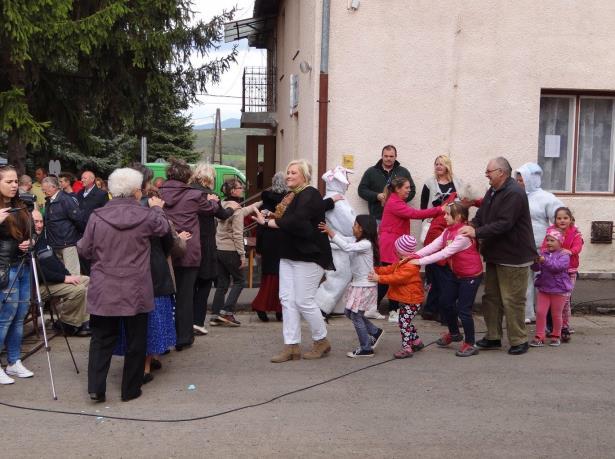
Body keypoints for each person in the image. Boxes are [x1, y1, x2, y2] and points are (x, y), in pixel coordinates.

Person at [78, 168, 170, 403]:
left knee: (101, 338)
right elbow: (163, 228)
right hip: (136, 286)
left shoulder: (97, 216)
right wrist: (157, 208)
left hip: (104, 285)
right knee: (136, 340)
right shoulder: (146, 216)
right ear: (136, 192)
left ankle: (96, 388)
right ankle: (130, 389)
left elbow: (84, 249)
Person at [252, 159, 334, 363]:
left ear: (304, 176)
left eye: (293, 173)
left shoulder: (310, 194)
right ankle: (291, 346)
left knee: (304, 301)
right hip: (288, 254)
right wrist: (269, 215)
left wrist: (270, 222)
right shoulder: (291, 196)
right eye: (288, 172)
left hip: (309, 255)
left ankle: (321, 340)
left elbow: (298, 222)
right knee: (287, 300)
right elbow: (286, 218)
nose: (288, 175)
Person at [459, 157, 536, 356]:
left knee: (512, 300)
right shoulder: (493, 191)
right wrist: (472, 225)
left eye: (489, 171)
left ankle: (519, 340)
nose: (486, 175)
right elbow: (482, 214)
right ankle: (493, 336)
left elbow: (505, 223)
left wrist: (477, 233)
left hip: (514, 256)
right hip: (495, 253)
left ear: (501, 172)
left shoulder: (514, 193)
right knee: (491, 298)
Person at [159, 158, 219, 350]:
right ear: (187, 176)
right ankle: (183, 337)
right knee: (185, 297)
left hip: (164, 249)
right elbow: (211, 209)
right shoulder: (193, 195)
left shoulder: (158, 193)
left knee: (164, 296)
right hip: (189, 251)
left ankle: (164, 337)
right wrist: (214, 202)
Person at [411, 202, 483, 357]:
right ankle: (454, 333)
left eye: (448, 214)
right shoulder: (447, 231)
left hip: (470, 276)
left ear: (458, 217)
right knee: (444, 302)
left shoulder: (463, 235)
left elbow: (444, 253)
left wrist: (419, 262)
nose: (444, 216)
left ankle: (470, 343)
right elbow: (434, 246)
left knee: (464, 310)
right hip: (456, 273)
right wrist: (415, 256)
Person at [378, 176, 443, 323]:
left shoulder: (396, 200)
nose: (409, 190)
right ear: (397, 189)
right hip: (391, 245)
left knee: (391, 276)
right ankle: (389, 310)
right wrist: (439, 210)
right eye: (406, 187)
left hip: (393, 243)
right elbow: (415, 214)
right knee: (392, 277)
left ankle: (380, 307)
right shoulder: (395, 203)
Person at [319, 215, 384, 358]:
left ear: (362, 228)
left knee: (355, 315)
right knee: (350, 312)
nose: (352, 227)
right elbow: (340, 243)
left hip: (365, 285)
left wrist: (330, 231)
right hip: (359, 284)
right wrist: (323, 237)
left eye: (355, 225)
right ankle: (374, 331)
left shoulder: (365, 244)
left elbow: (346, 247)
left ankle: (366, 348)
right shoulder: (357, 241)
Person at [189, 163, 236, 335]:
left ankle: (185, 323)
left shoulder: (187, 192)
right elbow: (222, 214)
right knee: (204, 284)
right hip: (205, 245)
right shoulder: (209, 195)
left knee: (188, 287)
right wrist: (232, 208)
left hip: (187, 243)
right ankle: (197, 323)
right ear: (209, 178)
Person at [515, 163, 563, 324]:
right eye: (517, 180)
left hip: (542, 249)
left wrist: (554, 244)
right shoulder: (516, 196)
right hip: (522, 247)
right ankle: (527, 314)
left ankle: (545, 314)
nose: (518, 183)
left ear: (531, 179)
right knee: (524, 282)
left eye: (521, 180)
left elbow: (560, 219)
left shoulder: (546, 198)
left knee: (542, 281)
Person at [419, 154, 465, 322]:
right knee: (436, 268)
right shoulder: (429, 183)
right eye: (436, 163)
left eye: (441, 164)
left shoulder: (458, 183)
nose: (438, 166)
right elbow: (424, 208)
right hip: (433, 226)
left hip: (451, 227)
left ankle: (432, 308)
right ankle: (434, 309)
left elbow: (462, 204)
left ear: (447, 166)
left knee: (444, 268)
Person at [209, 178, 260, 327]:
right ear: (233, 191)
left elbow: (243, 210)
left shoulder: (223, 205)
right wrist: (242, 255)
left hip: (219, 249)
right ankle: (227, 312)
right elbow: (238, 234)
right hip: (231, 250)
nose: (242, 189)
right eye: (240, 187)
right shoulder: (235, 209)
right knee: (239, 281)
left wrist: (259, 203)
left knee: (222, 283)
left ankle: (215, 315)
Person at [31, 209, 90, 336]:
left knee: (87, 280)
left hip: (49, 282)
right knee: (78, 289)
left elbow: (55, 262)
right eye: (36, 222)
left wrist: (68, 275)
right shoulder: (26, 242)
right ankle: (67, 323)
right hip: (34, 288)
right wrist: (64, 278)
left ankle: (84, 322)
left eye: (41, 221)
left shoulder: (41, 238)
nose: (40, 225)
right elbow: (38, 272)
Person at [0, 166, 34, 385]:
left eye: (15, 182)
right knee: (5, 317)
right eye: (9, 181)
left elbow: (32, 234)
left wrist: (30, 242)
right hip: (5, 269)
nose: (14, 185)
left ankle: (14, 361)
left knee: (20, 314)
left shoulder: (20, 206)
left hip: (22, 266)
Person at [369, 235, 424, 359]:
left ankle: (407, 348)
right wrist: (377, 270)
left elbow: (396, 278)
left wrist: (379, 278)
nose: (395, 252)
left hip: (413, 301)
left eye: (396, 250)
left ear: (401, 251)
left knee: (403, 322)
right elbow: (389, 269)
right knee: (405, 321)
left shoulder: (410, 266)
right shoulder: (402, 262)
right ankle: (416, 342)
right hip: (408, 299)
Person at [540, 207, 583, 342]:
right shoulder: (551, 232)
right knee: (549, 300)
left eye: (565, 218)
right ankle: (551, 327)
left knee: (565, 301)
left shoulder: (575, 233)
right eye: (559, 218)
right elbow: (544, 247)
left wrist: (570, 251)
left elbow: (578, 246)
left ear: (570, 219)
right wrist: (542, 256)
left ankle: (564, 326)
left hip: (569, 270)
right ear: (555, 220)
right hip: (551, 271)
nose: (562, 220)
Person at [251, 172, 287, 322]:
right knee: (282, 279)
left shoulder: (266, 199)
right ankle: (279, 310)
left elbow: (260, 227)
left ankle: (262, 306)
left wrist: (259, 248)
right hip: (283, 241)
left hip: (268, 242)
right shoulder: (288, 200)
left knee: (268, 277)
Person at [529, 229, 573, 348]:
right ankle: (539, 337)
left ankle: (555, 336)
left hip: (559, 289)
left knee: (556, 314)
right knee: (540, 312)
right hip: (544, 288)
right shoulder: (544, 253)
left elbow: (557, 267)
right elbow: (536, 269)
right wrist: (535, 262)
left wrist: (545, 260)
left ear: (560, 242)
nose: (548, 243)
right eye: (547, 240)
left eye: (552, 240)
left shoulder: (565, 255)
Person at [358, 145, 416, 222]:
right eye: (386, 156)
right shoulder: (371, 171)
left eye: (391, 156)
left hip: (398, 217)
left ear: (396, 157)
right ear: (382, 156)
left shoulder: (403, 172)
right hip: (377, 218)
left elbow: (412, 190)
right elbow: (361, 190)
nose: (388, 158)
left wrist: (398, 201)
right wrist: (377, 196)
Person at [41, 176, 84, 276]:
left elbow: (78, 219)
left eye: (45, 189)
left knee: (73, 275)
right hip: (55, 244)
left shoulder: (66, 200)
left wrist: (76, 237)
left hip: (67, 243)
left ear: (53, 187)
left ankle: (80, 291)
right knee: (63, 274)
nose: (43, 191)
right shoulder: (49, 201)